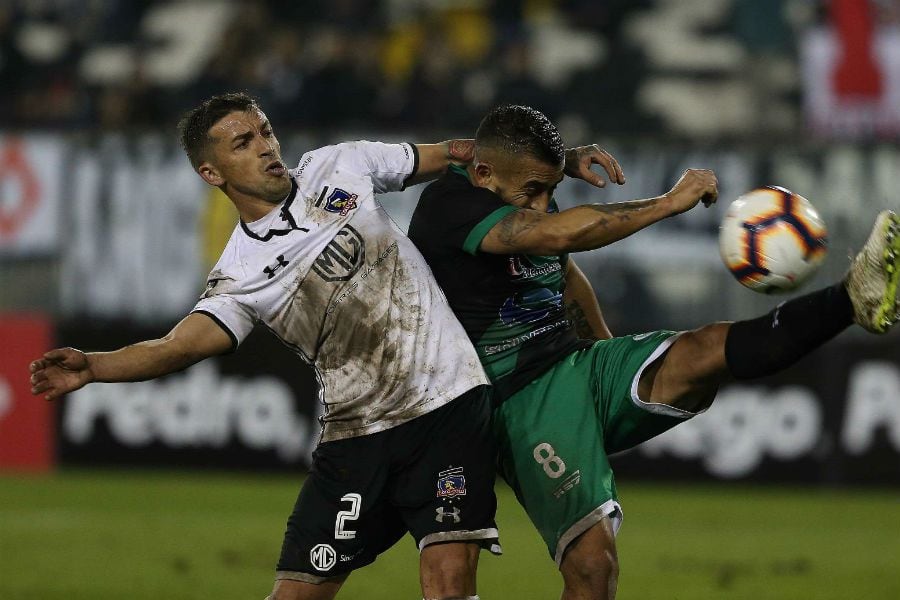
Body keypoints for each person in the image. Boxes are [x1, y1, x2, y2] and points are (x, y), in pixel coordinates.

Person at [28, 93, 613, 600]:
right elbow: (183, 344)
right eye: (242, 143)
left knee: (449, 576)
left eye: (264, 131)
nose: (264, 146)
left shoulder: (340, 164)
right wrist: (96, 367)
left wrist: (554, 164)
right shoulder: (240, 272)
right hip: (356, 436)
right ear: (212, 173)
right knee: (298, 591)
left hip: (450, 408)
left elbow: (460, 154)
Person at [407, 104, 900, 600]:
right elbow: (554, 233)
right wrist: (668, 203)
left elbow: (560, 268)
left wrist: (603, 352)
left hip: (573, 365)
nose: (542, 203)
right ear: (484, 173)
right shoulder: (448, 207)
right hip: (514, 394)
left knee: (704, 350)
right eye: (533, 191)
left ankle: (852, 298)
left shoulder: (514, 178)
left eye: (550, 190)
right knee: (590, 569)